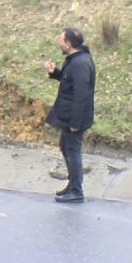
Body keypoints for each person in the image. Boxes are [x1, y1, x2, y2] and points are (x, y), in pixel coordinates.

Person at [44, 27, 96, 203]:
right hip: (68, 116)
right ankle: (72, 184)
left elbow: (82, 96)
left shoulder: (80, 64)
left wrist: (75, 123)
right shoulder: (75, 60)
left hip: (74, 119)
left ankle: (76, 190)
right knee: (65, 147)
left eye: (61, 40)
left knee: (72, 150)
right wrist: (55, 73)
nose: (59, 42)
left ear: (69, 43)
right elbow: (69, 82)